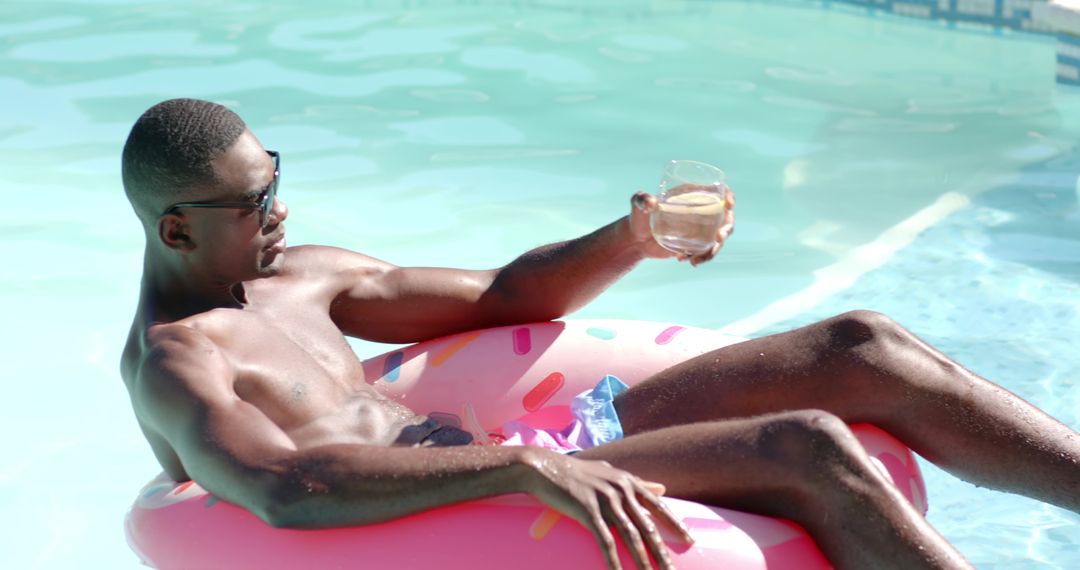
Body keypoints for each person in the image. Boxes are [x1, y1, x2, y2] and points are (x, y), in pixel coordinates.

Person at [119, 98, 1079, 570]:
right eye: (258, 201)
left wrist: (631, 237)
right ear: (177, 226)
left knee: (861, 347)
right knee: (805, 448)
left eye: (276, 177)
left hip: (524, 455)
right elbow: (286, 488)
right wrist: (524, 473)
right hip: (479, 508)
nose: (282, 210)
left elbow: (502, 294)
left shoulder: (302, 276)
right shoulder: (177, 362)